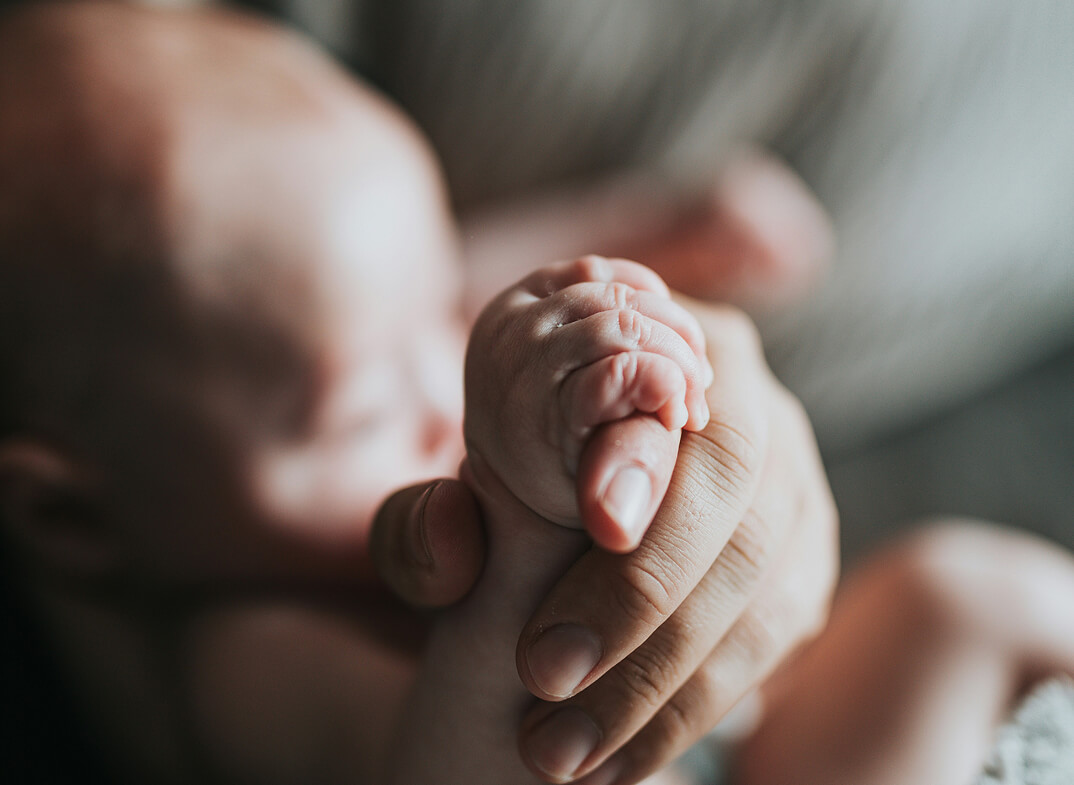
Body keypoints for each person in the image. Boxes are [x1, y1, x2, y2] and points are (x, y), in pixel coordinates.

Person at [0, 4, 837, 784]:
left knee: (955, 593)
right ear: (69, 516)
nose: (450, 392)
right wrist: (526, 501)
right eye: (366, 413)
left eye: (447, 313)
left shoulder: (331, 330)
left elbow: (419, 286)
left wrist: (669, 228)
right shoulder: (249, 655)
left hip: (771, 734)